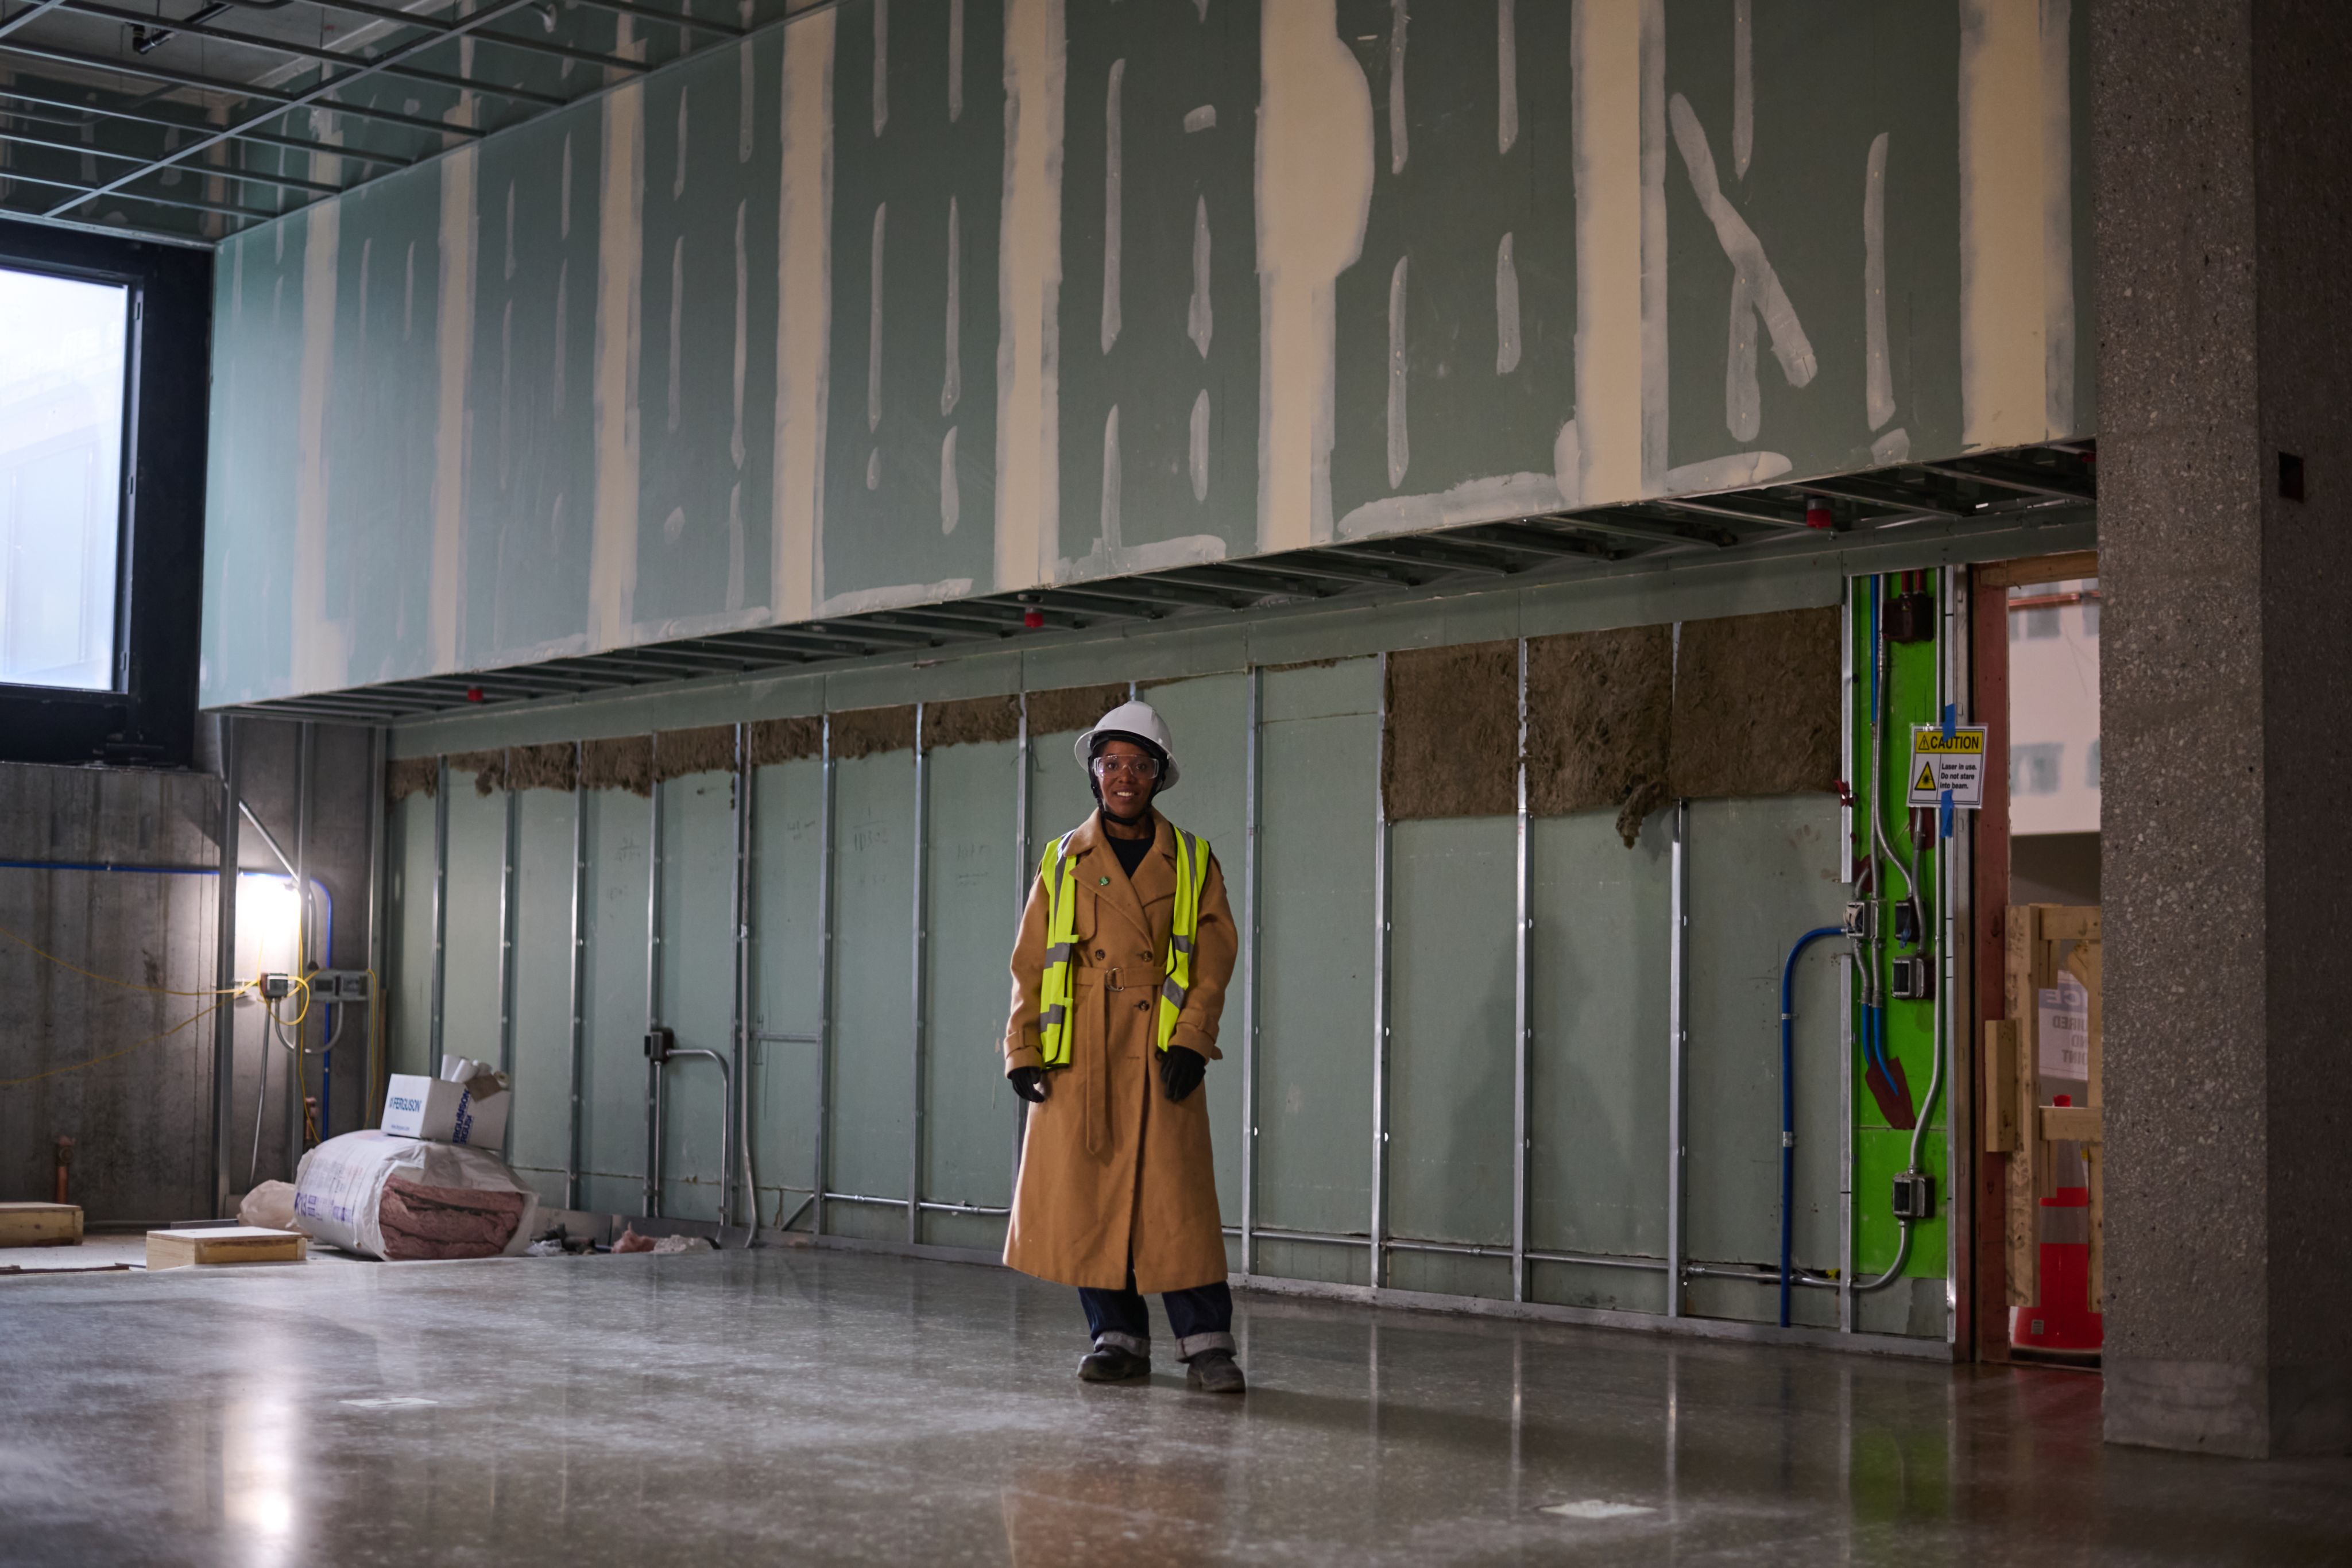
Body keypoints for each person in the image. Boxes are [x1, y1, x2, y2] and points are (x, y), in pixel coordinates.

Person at [999, 700, 1244, 1392]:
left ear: (1159, 776)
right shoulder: (1061, 860)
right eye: (1112, 764)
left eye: (1139, 765)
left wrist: (1194, 1040)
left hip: (1160, 1054)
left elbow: (1213, 959)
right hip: (1083, 1058)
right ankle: (1115, 1337)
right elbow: (1029, 963)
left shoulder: (1193, 859)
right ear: (1095, 775)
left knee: (1176, 1203)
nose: (1124, 777)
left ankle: (1206, 1345)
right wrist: (1022, 1048)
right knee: (1092, 1203)